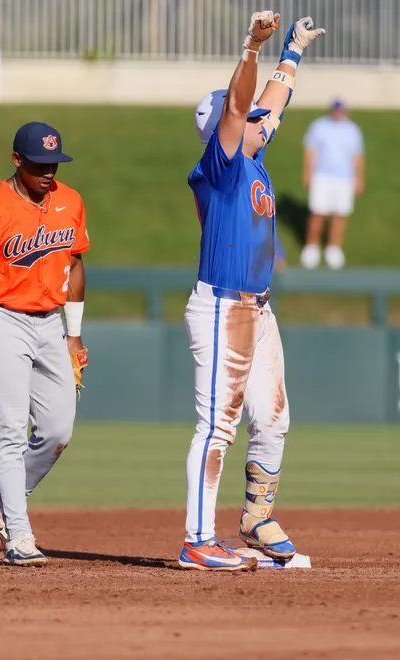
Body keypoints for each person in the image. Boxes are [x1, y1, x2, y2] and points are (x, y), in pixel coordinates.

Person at [178, 12, 324, 572]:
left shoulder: (252, 162)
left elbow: (271, 104)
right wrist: (252, 47)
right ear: (225, 127)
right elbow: (241, 107)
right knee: (218, 423)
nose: (265, 122)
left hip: (257, 309)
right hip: (222, 306)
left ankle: (257, 515)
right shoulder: (220, 165)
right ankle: (197, 539)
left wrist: (293, 50)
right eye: (251, 120)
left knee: (274, 418)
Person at [0, 122, 89, 567]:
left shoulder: (70, 201)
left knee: (57, 432)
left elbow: (75, 265)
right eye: (38, 164)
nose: (48, 172)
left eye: (53, 163)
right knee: (10, 430)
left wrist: (73, 334)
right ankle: (19, 534)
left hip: (51, 323)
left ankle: (2, 500)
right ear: (17, 161)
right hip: (4, 321)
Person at [300, 99, 365, 269]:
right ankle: (311, 246)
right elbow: (311, 151)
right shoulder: (319, 126)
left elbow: (357, 156)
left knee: (340, 214)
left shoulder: (353, 130)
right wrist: (307, 174)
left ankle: (333, 248)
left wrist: (359, 178)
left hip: (344, 178)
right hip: (322, 176)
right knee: (317, 212)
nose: (338, 113)